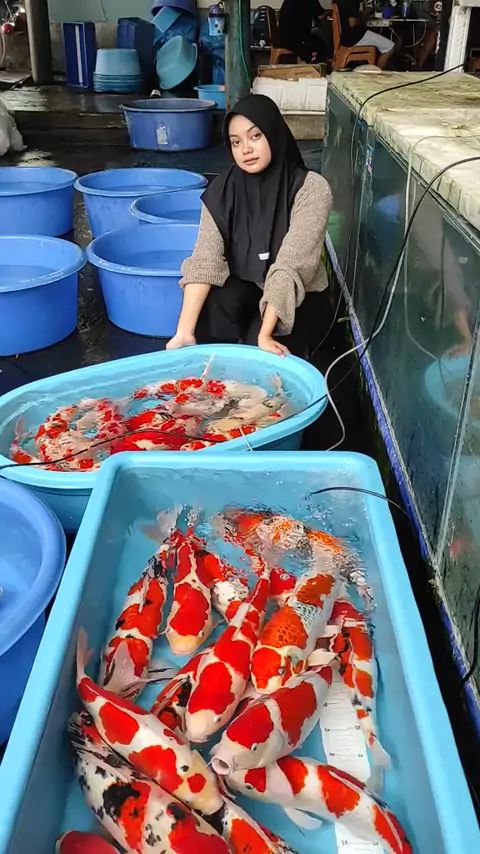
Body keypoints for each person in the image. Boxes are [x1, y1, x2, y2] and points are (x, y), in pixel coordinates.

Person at [166, 94, 333, 359]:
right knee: (213, 309)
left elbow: (291, 267)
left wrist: (264, 335)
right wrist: (184, 332)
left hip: (296, 294)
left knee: (262, 354)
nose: (245, 149)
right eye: (236, 142)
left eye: (255, 136)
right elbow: (205, 260)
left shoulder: (310, 189)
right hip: (246, 284)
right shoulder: (222, 190)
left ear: (273, 134)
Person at [335, 0, 397, 69]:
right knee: (389, 47)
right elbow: (352, 23)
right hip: (354, 37)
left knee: (379, 40)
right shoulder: (351, 2)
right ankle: (375, 73)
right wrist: (366, 12)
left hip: (345, 37)